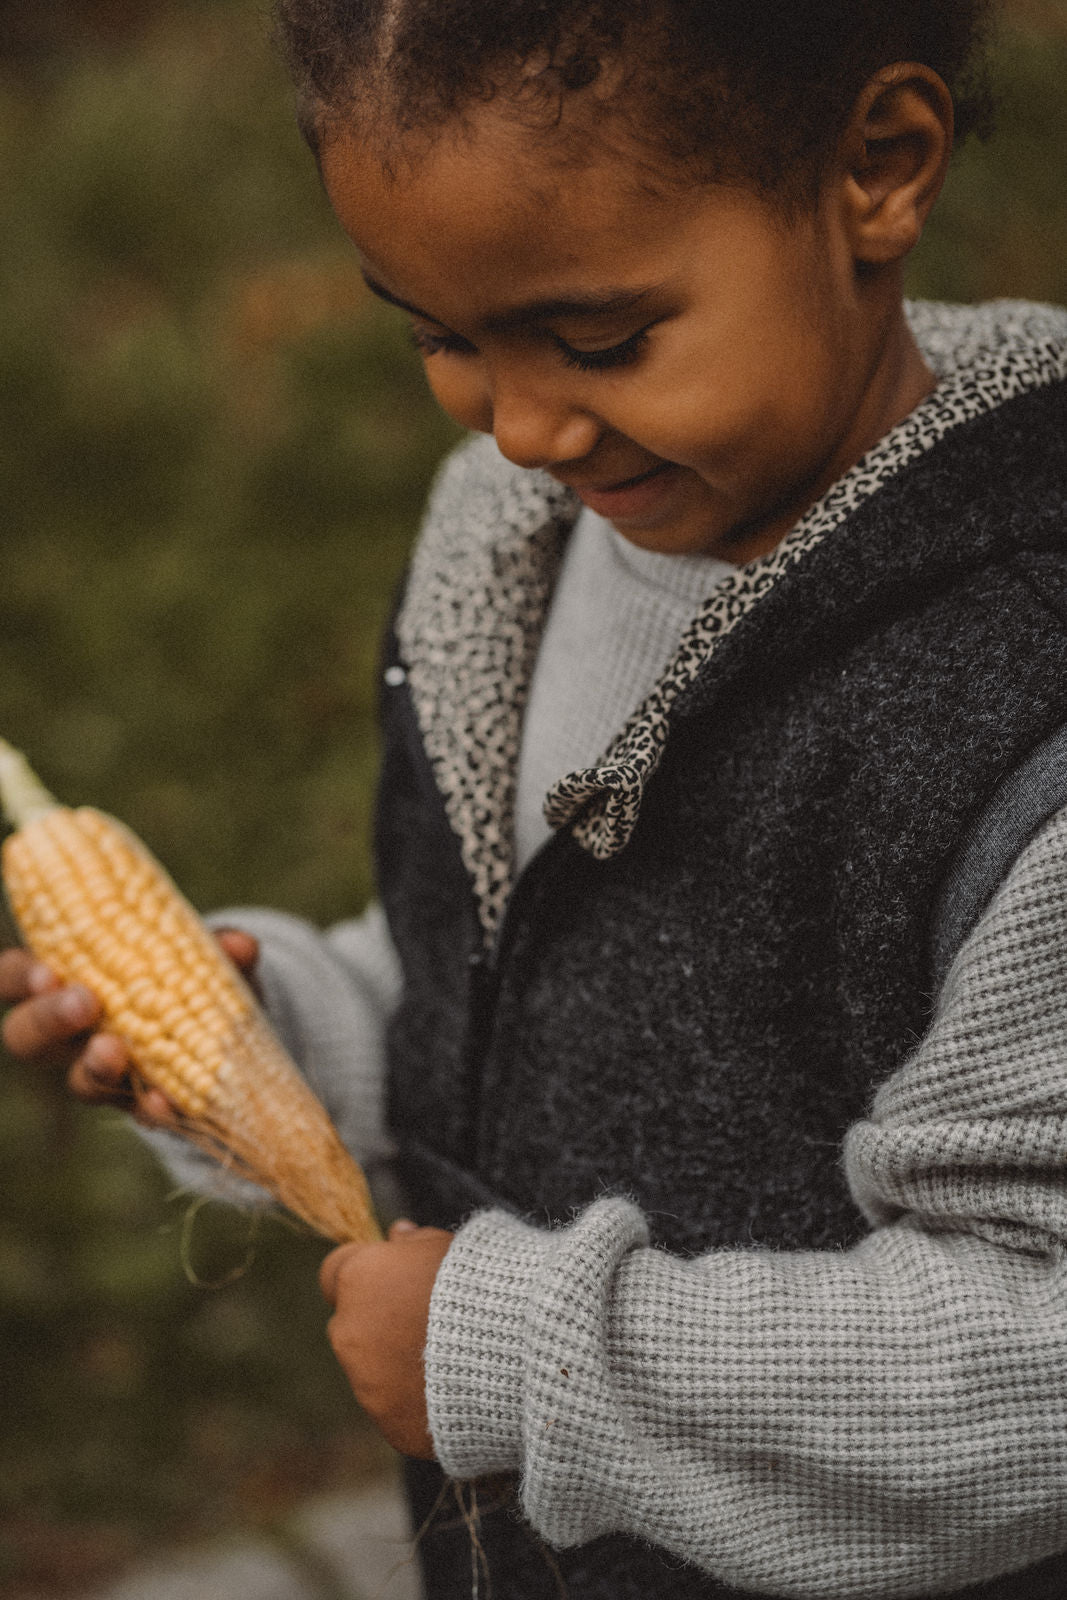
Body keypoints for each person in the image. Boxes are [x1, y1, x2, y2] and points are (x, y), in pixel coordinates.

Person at [4, 1, 1067, 1594]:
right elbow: (500, 978)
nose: (517, 426)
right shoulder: (516, 548)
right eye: (438, 335)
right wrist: (267, 1037)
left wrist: (515, 1352)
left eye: (598, 341)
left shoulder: (1018, 707)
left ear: (879, 168)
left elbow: (1035, 1353)